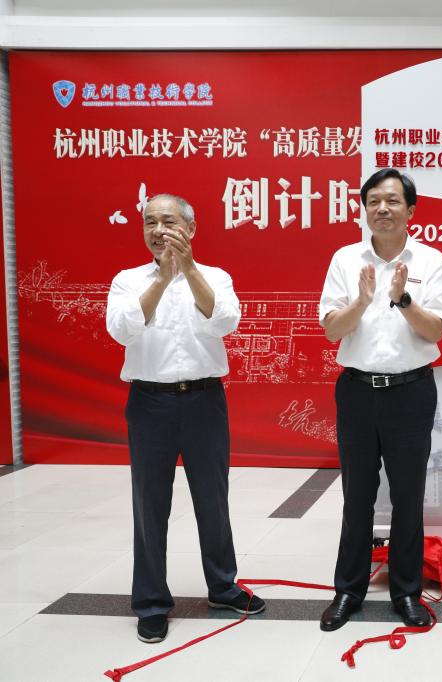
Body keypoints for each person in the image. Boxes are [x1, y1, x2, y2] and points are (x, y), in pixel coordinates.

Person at [106, 194, 265, 644]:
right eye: (150, 222)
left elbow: (226, 321)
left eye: (168, 222)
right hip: (149, 403)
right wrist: (161, 279)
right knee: (149, 506)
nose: (158, 230)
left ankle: (223, 587)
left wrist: (189, 270)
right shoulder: (127, 280)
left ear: (190, 230)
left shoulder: (215, 276)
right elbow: (121, 329)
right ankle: (151, 603)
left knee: (213, 500)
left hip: (203, 401)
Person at [318, 169, 442, 631]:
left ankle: (407, 593)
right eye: (374, 200)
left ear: (410, 210)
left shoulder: (432, 261)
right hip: (357, 391)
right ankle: (348, 591)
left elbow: (436, 332)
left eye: (392, 201)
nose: (382, 208)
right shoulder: (344, 259)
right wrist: (361, 301)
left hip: (411, 392)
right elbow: (331, 330)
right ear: (364, 209)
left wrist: (403, 299)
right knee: (356, 496)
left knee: (408, 497)